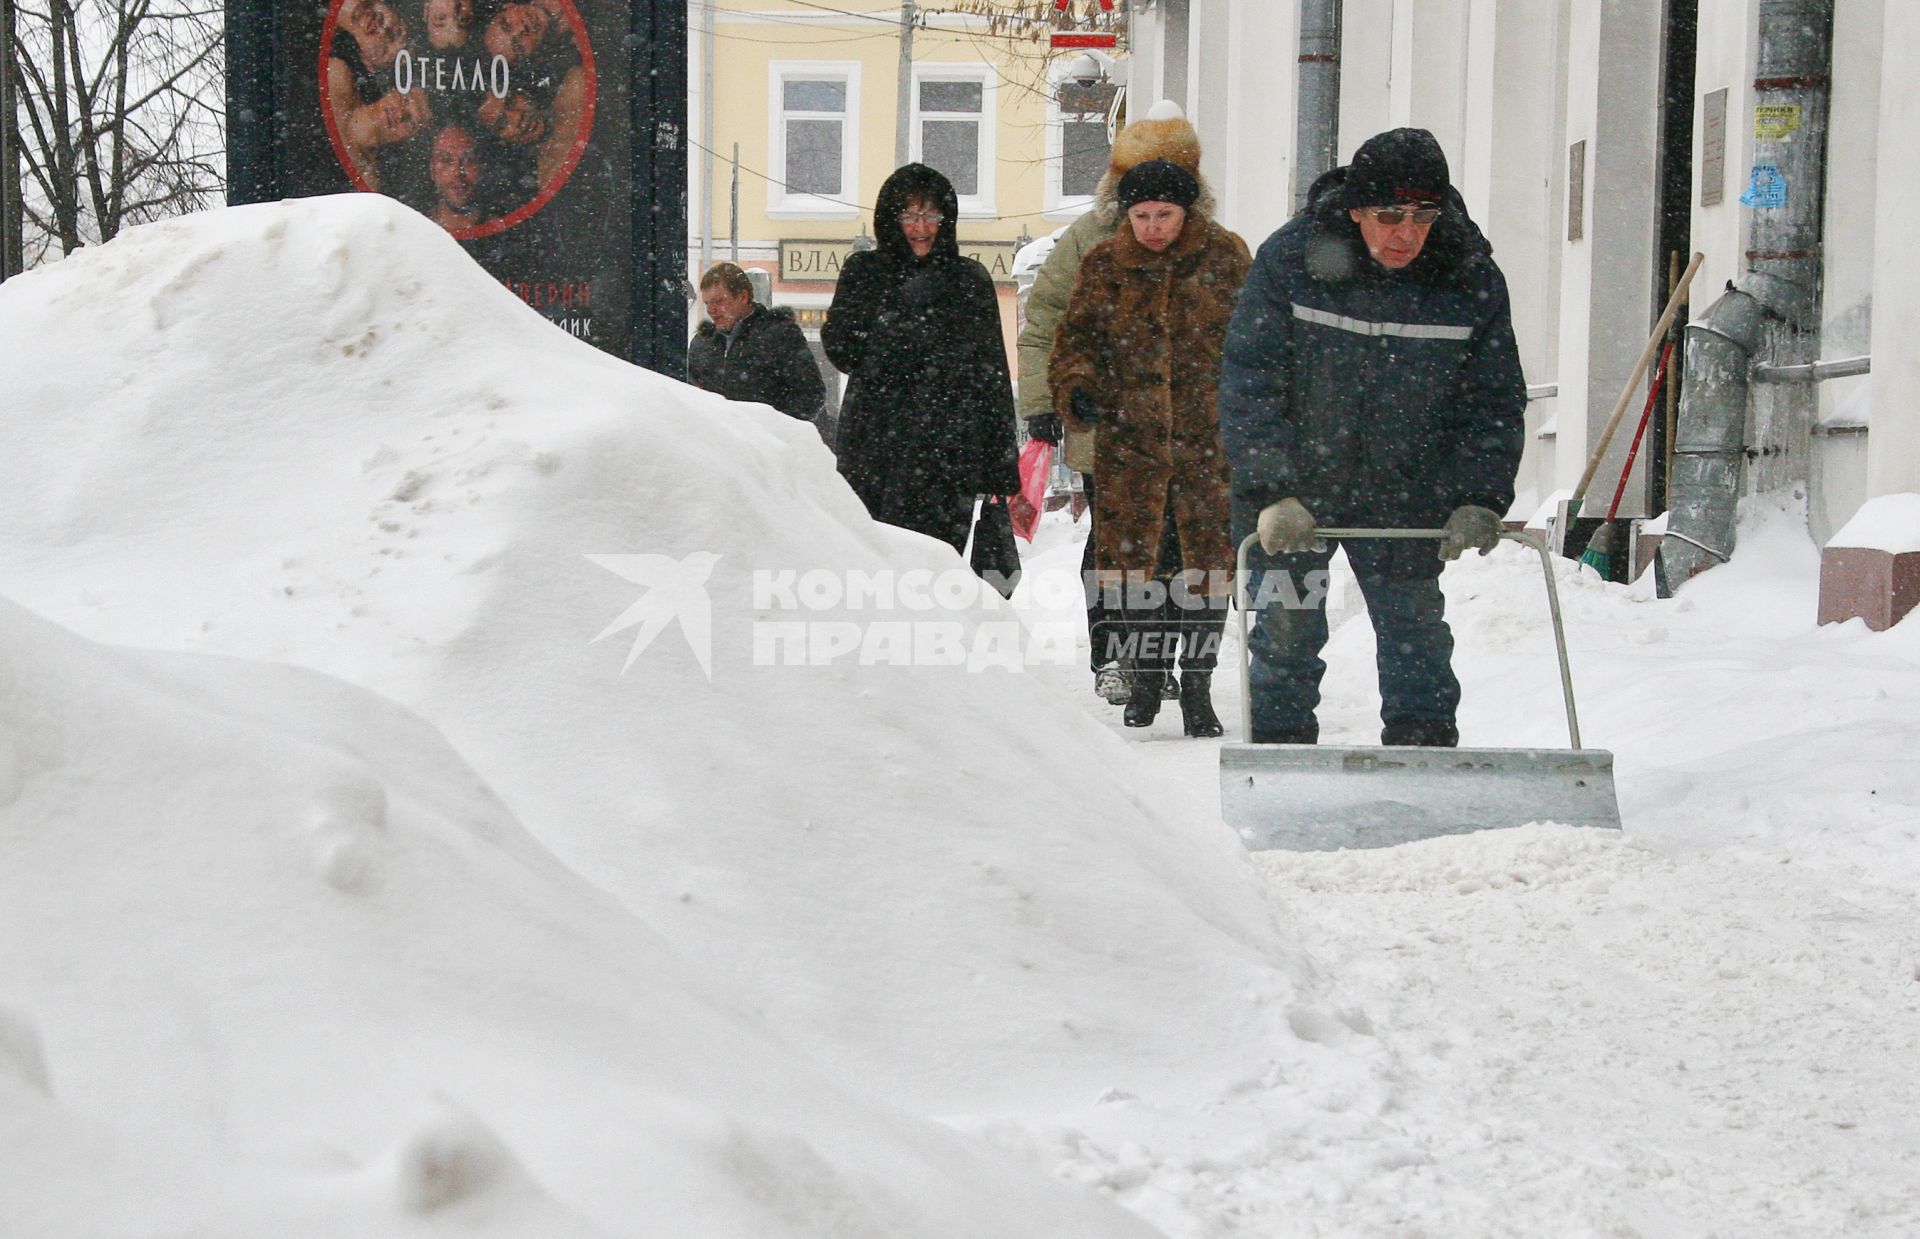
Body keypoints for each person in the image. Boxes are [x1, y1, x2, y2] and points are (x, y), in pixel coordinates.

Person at [1219, 127, 1527, 747]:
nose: (1405, 234)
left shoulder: (1469, 279)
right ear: (1356, 209)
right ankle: (1278, 757)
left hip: (1407, 490)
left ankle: (1424, 757)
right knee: (1286, 629)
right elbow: (1250, 380)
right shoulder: (1293, 261)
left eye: (1422, 216)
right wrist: (1271, 489)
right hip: (1298, 491)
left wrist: (1479, 494)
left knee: (1416, 635)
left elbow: (1492, 398)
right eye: (1389, 215)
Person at [1049, 159, 1251, 736]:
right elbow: (1075, 338)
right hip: (1130, 449)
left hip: (1207, 447)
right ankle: (1143, 677)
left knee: (1204, 574)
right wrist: (1078, 386)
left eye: (1164, 214)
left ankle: (1198, 686)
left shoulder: (1226, 259)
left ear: (1188, 212)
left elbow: (1256, 341)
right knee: (1139, 573)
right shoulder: (1106, 264)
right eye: (1141, 215)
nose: (1153, 227)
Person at [1018, 101, 1207, 704]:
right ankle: (1115, 658)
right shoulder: (1088, 243)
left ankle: (1163, 658)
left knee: (1177, 548)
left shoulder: (1213, 250)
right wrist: (1045, 399)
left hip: (1185, 432)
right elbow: (1046, 320)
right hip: (1108, 428)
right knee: (1114, 548)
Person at [824, 163, 1019, 553]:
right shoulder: (865, 272)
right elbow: (841, 349)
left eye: (932, 215)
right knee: (874, 567)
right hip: (875, 450)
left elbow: (992, 373)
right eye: (910, 215)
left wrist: (1000, 465)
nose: (922, 228)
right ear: (890, 218)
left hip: (947, 458)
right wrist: (889, 328)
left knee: (937, 571)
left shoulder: (969, 280)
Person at [687, 262, 826, 423]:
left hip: (762, 444)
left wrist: (771, 428)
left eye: (718, 301)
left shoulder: (780, 335)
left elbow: (811, 394)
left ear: (743, 297)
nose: (711, 310)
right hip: (717, 443)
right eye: (707, 303)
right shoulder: (702, 344)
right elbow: (689, 396)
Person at [427, 123, 487, 232]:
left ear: (482, 167)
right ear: (432, 170)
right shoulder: (412, 229)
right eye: (446, 160)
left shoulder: (508, 233)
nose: (457, 172)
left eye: (469, 160)